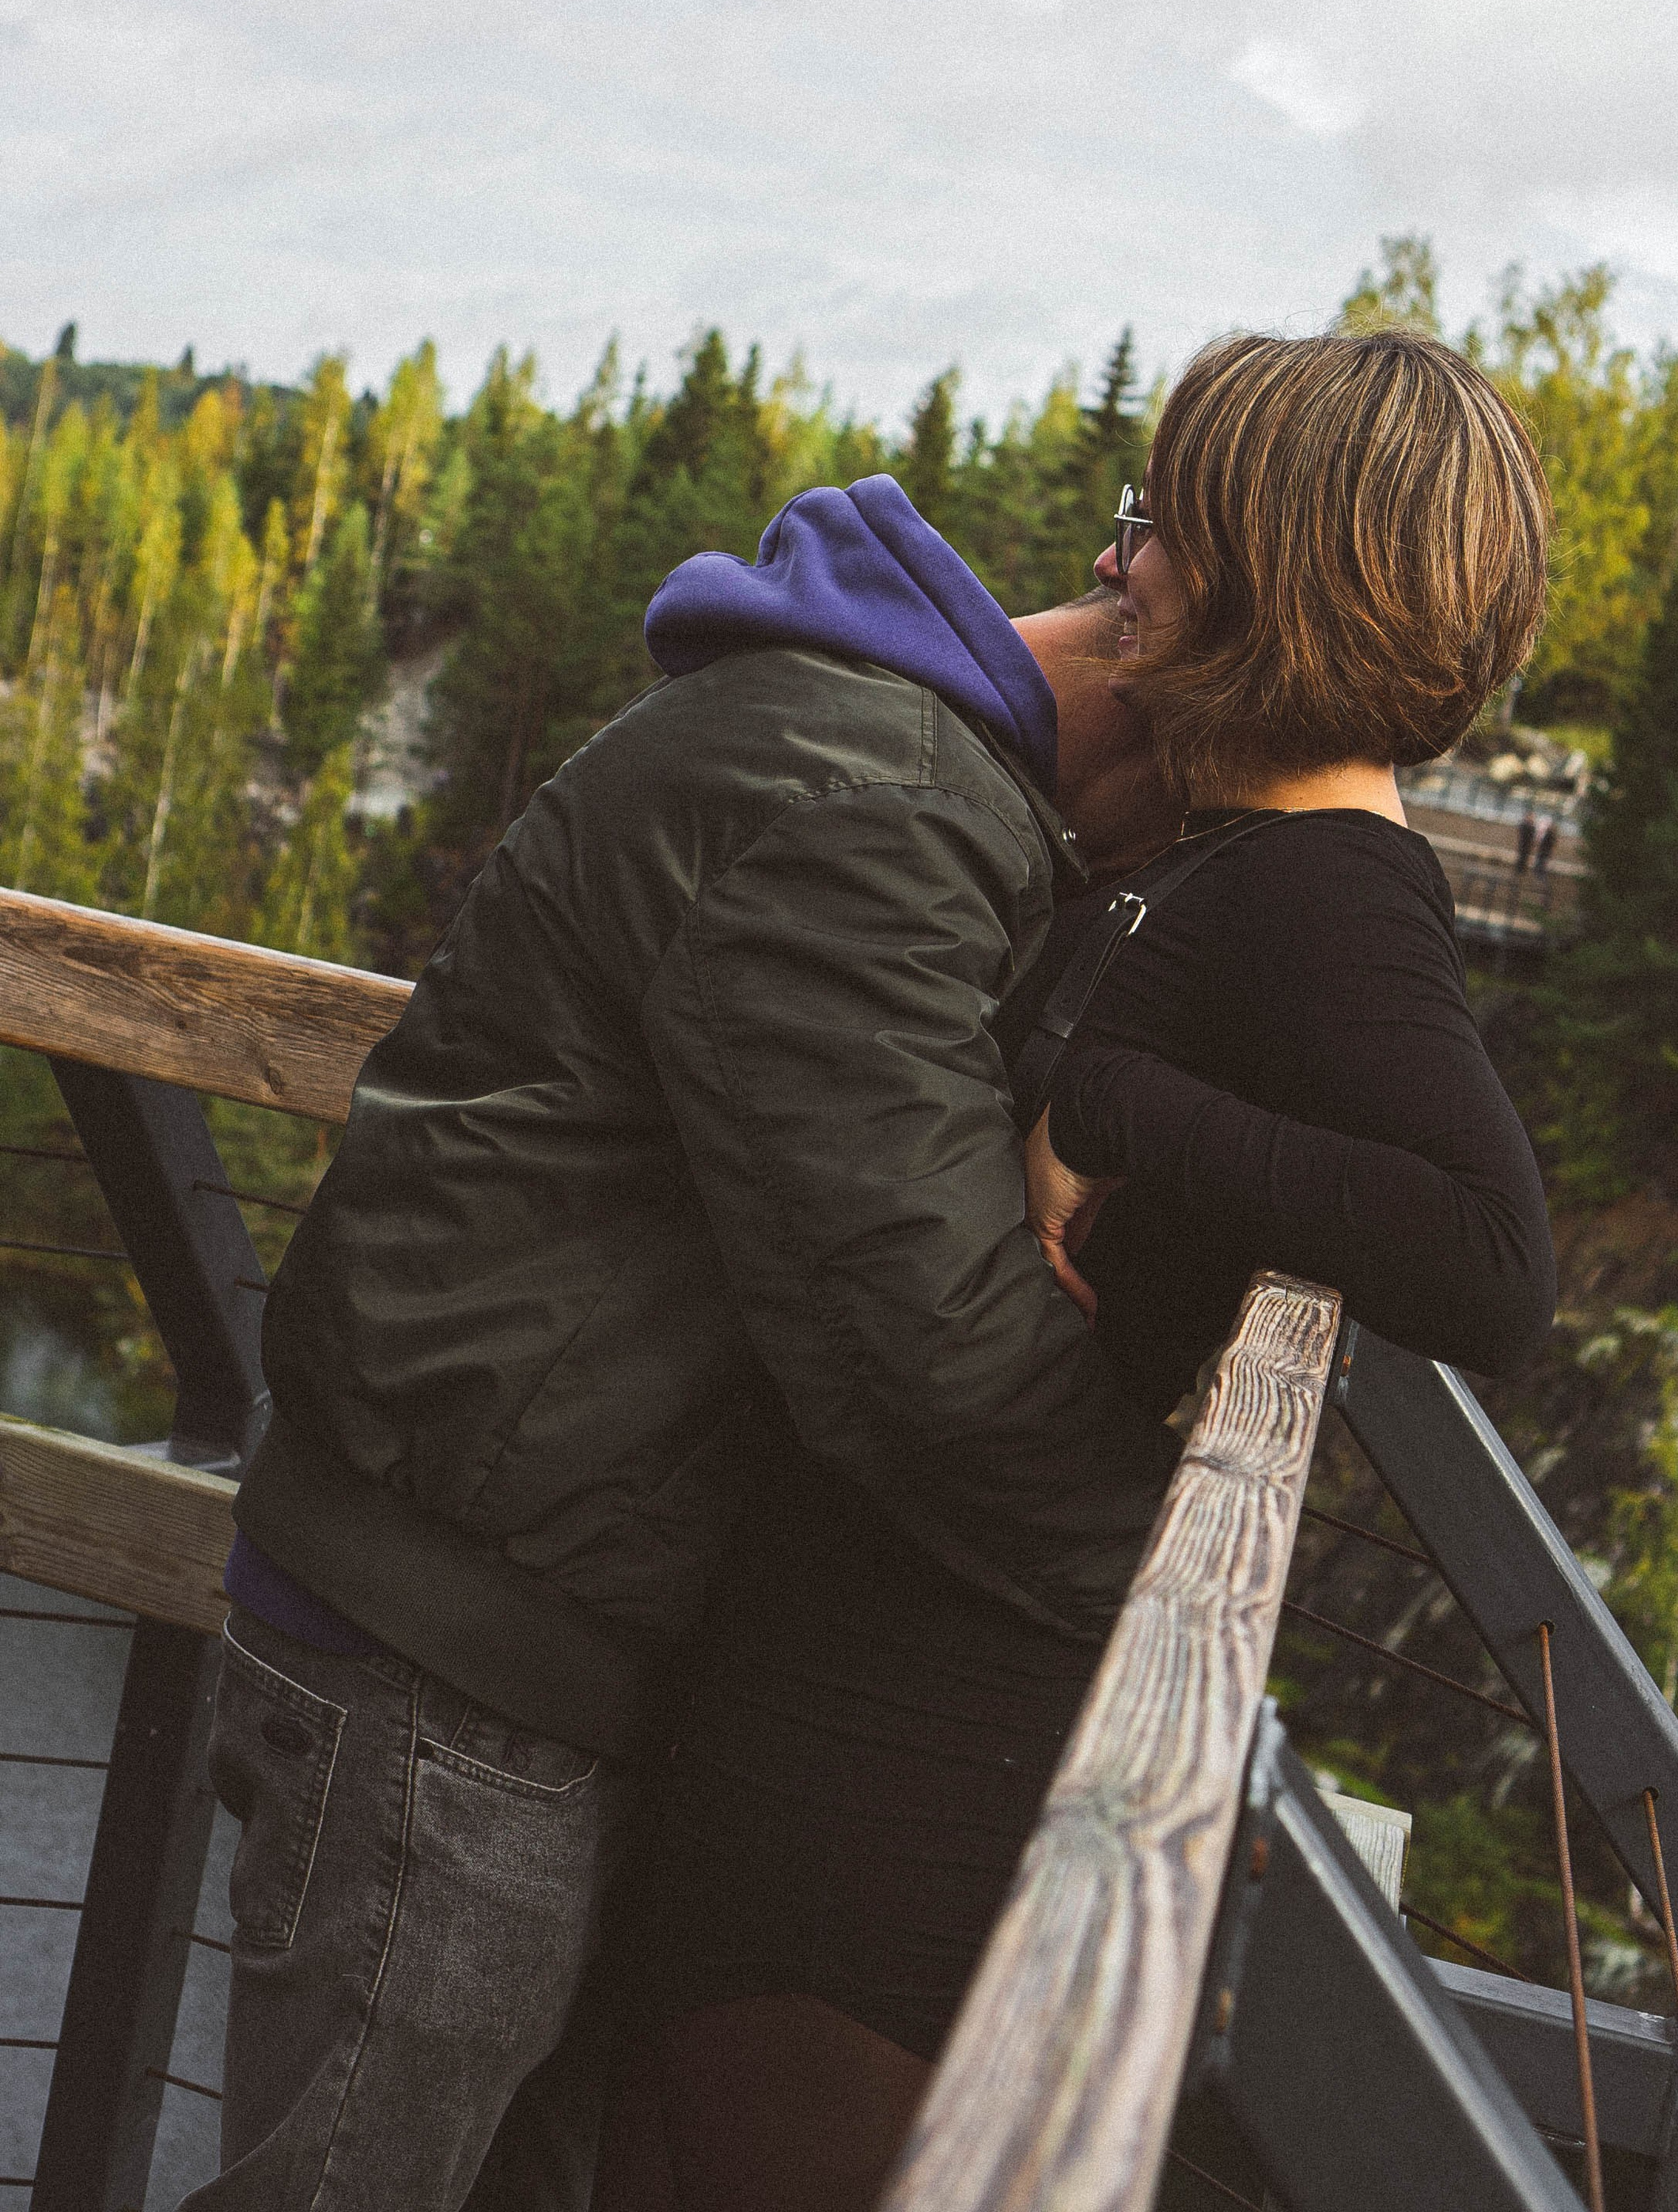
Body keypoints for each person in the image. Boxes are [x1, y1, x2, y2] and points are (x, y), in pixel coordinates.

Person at [600, 325, 1559, 2212]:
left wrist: (1117, 1104)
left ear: (1273, 576)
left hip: (903, 1751)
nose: (1116, 562)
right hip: (839, 1669)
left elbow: (1483, 1258)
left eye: (1159, 527)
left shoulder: (1327, 890)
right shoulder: (1227, 855)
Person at [187, 476, 1194, 2212]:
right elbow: (922, 1342)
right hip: (455, 1657)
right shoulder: (863, 808)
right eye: (1229, 830)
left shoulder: (893, 772)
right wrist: (1161, 1593)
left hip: (502, 1620)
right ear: (1163, 671)